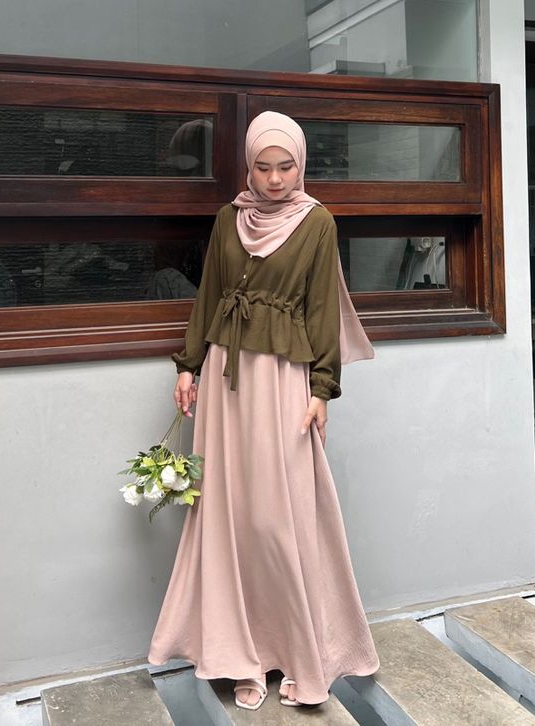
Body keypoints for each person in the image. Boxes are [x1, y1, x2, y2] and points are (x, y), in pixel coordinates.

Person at [147, 111, 380, 710]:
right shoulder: (229, 217)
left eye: (286, 167)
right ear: (247, 168)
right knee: (230, 517)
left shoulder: (317, 221)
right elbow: (210, 294)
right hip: (226, 380)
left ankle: (300, 653)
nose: (275, 179)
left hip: (282, 379)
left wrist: (322, 389)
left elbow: (321, 307)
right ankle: (239, 656)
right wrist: (187, 364)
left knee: (280, 519)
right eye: (263, 167)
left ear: (301, 166)